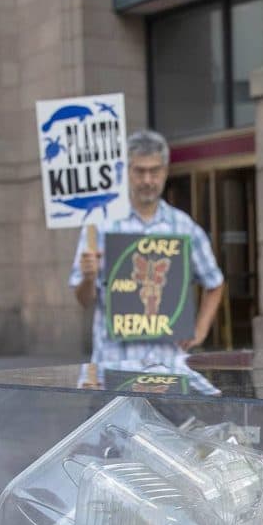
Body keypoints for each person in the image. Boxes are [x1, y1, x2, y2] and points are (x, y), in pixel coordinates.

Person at [70, 129, 226, 373]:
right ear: (127, 171)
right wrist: (89, 277)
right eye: (139, 171)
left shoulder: (182, 227)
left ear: (165, 171)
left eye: (154, 171)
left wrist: (201, 329)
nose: (147, 180)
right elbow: (83, 299)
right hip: (112, 368)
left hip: (168, 368)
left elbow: (214, 283)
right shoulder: (100, 225)